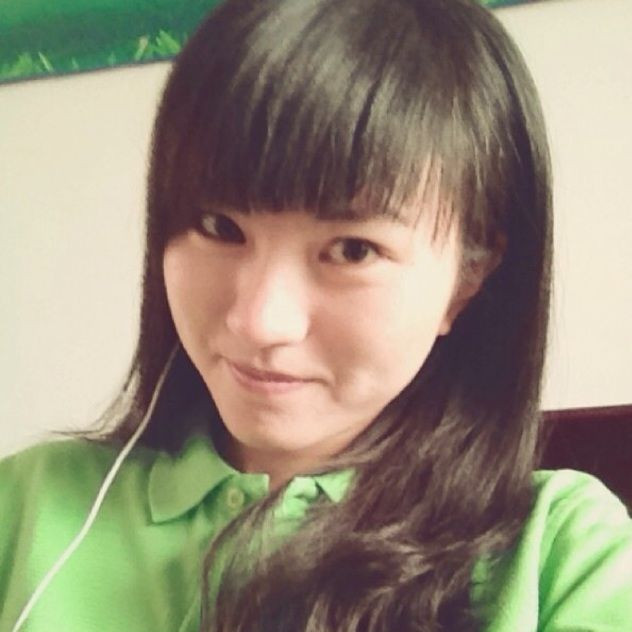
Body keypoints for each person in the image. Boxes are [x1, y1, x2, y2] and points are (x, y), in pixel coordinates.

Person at [2, 0, 631, 630]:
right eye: (219, 226)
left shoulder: (563, 557)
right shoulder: (28, 506)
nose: (259, 322)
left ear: (469, 277)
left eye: (353, 250)